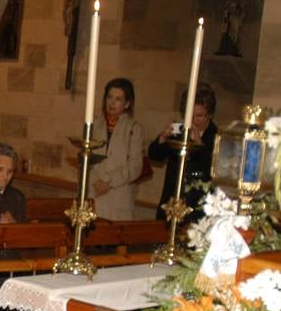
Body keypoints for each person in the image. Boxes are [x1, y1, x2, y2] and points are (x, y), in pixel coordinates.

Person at [149, 82, 217, 220]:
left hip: (197, 209)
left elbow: (213, 170)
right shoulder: (180, 131)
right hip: (171, 204)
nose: (192, 121)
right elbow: (155, 155)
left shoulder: (217, 137)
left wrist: (200, 145)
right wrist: (163, 137)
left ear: (209, 115)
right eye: (188, 115)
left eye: (199, 116)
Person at [89, 77, 145, 220]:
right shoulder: (94, 125)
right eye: (109, 97)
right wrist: (96, 181)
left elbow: (135, 166)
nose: (112, 103)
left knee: (113, 238)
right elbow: (86, 158)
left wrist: (109, 183)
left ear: (127, 104)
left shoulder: (134, 129)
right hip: (94, 192)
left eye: (118, 99)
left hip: (118, 195)